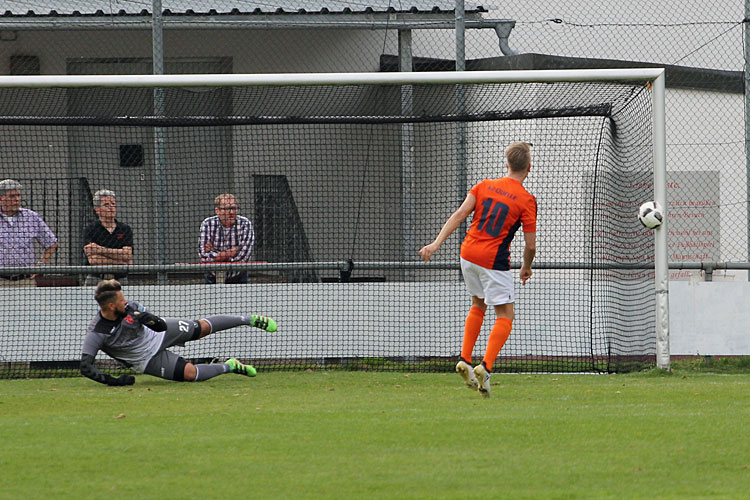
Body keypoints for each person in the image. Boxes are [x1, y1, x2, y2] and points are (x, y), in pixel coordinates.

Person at [419, 142, 537, 398]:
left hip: (468, 254)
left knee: (477, 304)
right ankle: (486, 366)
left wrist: (436, 243)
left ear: (506, 164)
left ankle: (465, 358)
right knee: (505, 314)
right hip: (494, 260)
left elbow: (460, 213)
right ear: (528, 168)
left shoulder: (482, 186)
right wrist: (526, 267)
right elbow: (530, 245)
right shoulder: (527, 200)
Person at [80, 279, 278, 386]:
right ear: (111, 305)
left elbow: (160, 327)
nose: (126, 301)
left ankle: (248, 319)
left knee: (200, 328)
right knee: (191, 374)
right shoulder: (97, 332)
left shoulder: (131, 307)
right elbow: (86, 367)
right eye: (121, 300)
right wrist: (114, 382)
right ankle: (230, 366)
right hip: (146, 359)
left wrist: (143, 316)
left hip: (159, 334)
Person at [0, 178, 58, 287]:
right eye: (12, 196)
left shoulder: (31, 217)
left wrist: (41, 265)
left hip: (25, 281)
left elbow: (51, 243)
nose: (17, 199)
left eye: (18, 196)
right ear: (1, 198)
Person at [199, 193, 255, 284]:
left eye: (233, 208)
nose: (231, 212)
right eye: (227, 209)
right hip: (212, 277)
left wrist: (216, 254)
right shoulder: (208, 224)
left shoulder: (245, 224)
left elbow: (243, 256)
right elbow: (204, 255)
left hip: (238, 278)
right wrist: (230, 253)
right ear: (217, 211)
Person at [83, 189, 134, 286]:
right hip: (96, 279)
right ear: (97, 209)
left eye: (113, 204)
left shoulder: (125, 229)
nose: (111, 208)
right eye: (106, 205)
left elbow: (127, 255)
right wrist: (120, 262)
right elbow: (94, 260)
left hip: (120, 279)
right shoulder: (91, 229)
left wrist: (99, 250)